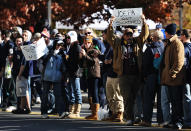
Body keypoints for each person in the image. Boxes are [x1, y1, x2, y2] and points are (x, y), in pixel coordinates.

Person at [107, 14, 149, 125]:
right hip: (123, 75)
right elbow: (110, 37)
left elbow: (145, 34)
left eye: (131, 34)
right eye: (127, 34)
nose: (129, 36)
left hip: (136, 75)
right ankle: (128, 118)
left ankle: (134, 117)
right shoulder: (117, 43)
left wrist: (144, 22)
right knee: (127, 97)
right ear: (123, 35)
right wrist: (111, 24)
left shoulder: (137, 42)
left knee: (134, 97)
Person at [160, 23, 185, 129]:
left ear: (168, 33)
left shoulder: (177, 43)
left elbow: (179, 62)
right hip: (169, 79)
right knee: (172, 102)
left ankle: (178, 122)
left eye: (165, 32)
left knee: (176, 102)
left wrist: (172, 74)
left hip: (175, 79)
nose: (165, 33)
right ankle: (173, 122)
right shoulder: (170, 43)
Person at [140, 30, 164, 126]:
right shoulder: (164, 47)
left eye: (152, 37)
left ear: (154, 38)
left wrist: (144, 76)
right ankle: (161, 120)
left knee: (148, 99)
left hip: (151, 76)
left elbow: (145, 65)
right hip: (162, 76)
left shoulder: (150, 49)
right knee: (161, 100)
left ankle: (147, 120)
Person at [41, 41, 66, 119]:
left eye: (61, 45)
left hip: (57, 76)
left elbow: (64, 66)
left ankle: (60, 112)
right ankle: (44, 112)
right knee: (45, 94)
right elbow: (43, 61)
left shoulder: (63, 53)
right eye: (58, 44)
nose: (59, 46)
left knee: (58, 95)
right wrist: (50, 54)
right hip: (47, 75)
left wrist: (65, 76)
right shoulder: (49, 51)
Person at [81, 35, 101, 120]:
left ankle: (95, 114)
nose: (86, 44)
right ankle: (93, 113)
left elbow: (93, 61)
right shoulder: (86, 50)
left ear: (91, 43)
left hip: (94, 74)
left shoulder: (94, 50)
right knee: (91, 93)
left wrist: (85, 55)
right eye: (85, 43)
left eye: (88, 43)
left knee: (95, 92)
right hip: (88, 74)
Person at [66, 31, 82, 118]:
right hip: (71, 72)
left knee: (77, 91)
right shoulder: (71, 47)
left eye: (69, 37)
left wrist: (77, 72)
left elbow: (79, 62)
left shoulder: (77, 47)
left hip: (75, 73)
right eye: (67, 37)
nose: (67, 39)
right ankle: (71, 110)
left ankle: (77, 111)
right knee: (71, 91)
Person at [180, 29, 191, 129]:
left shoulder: (184, 48)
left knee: (186, 99)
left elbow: (182, 64)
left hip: (186, 77)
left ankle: (187, 121)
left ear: (183, 36)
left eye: (180, 35)